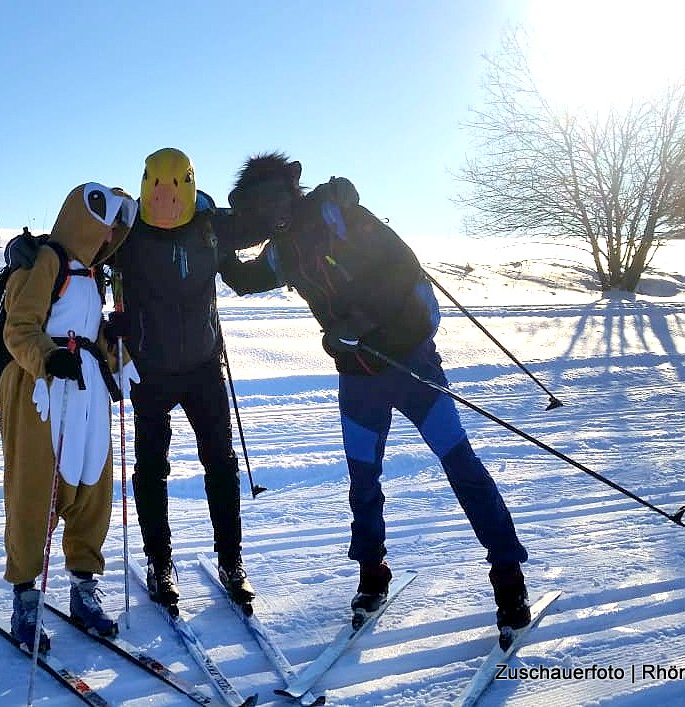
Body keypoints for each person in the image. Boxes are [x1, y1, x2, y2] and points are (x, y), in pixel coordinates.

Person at [219, 152, 531, 630]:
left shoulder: (340, 216)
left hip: (409, 360)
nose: (261, 216)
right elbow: (242, 280)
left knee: (459, 463)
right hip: (358, 375)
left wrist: (358, 322)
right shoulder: (283, 248)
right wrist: (208, 239)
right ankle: (372, 572)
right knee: (363, 480)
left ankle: (507, 575)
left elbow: (405, 267)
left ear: (287, 193)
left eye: (266, 203)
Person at [104, 147, 257, 614]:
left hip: (204, 367)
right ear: (148, 184)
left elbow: (244, 273)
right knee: (152, 469)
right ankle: (159, 563)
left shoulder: (209, 229)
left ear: (189, 184)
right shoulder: (127, 232)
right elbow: (78, 243)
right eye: (158, 187)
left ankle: (231, 561)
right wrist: (24, 253)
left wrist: (292, 255)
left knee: (220, 463)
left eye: (176, 187)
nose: (167, 199)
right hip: (150, 370)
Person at [0, 182, 137, 648]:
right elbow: (18, 330)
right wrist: (47, 357)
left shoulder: (92, 274)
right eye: (105, 225)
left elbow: (91, 336)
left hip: (87, 393)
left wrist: (117, 355)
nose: (108, 236)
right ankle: (26, 601)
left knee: (92, 486)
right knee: (37, 490)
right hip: (44, 391)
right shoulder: (45, 263)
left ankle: (83, 589)